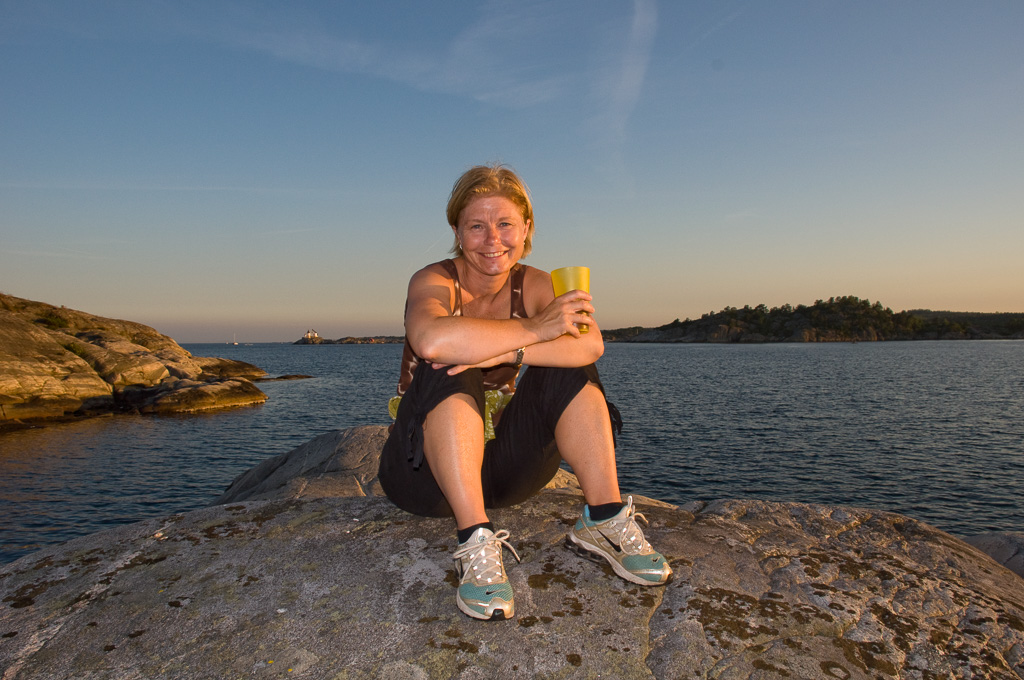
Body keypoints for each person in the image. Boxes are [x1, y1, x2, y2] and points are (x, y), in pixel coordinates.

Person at [379, 164, 671, 621]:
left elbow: (591, 344)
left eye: (505, 224)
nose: (492, 239)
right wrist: (534, 331)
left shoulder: (536, 283)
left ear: (526, 228)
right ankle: (474, 540)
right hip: (425, 476)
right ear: (457, 230)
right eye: (476, 226)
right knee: (449, 364)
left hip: (509, 473)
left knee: (572, 367)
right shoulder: (433, 280)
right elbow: (432, 340)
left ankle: (605, 519)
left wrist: (512, 355)